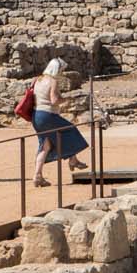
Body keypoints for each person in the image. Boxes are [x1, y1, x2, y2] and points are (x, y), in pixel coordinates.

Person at [30, 57, 89, 187]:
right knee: (70, 130)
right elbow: (54, 100)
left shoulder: (38, 79)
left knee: (45, 145)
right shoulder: (52, 81)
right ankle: (73, 160)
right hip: (48, 115)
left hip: (36, 115)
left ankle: (37, 175)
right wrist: (66, 99)